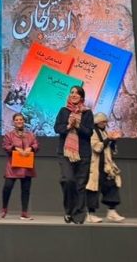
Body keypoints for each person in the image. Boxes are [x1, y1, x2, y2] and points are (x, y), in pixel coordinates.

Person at [54, 85, 93, 224]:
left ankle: (78, 216)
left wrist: (77, 126)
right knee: (68, 180)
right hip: (65, 152)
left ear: (81, 97)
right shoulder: (63, 111)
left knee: (80, 184)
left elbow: (89, 132)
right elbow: (57, 128)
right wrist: (68, 127)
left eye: (77, 93)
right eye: (72, 93)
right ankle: (68, 210)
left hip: (83, 153)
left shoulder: (87, 112)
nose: (74, 95)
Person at [86, 112, 125, 223]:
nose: (104, 124)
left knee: (112, 187)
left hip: (106, 167)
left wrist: (113, 141)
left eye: (105, 122)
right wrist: (108, 139)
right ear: (97, 122)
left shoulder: (105, 132)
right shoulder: (92, 132)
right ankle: (91, 214)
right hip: (96, 166)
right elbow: (97, 148)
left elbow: (111, 150)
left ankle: (112, 212)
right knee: (93, 190)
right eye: (102, 122)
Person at [1, 112, 39, 220]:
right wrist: (15, 148)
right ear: (13, 122)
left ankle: (24, 212)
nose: (19, 121)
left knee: (26, 189)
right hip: (13, 166)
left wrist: (30, 148)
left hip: (26, 166)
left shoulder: (30, 134)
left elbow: (36, 144)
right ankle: (4, 208)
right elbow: (5, 146)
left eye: (21, 119)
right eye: (17, 120)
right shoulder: (9, 135)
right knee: (7, 187)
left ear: (24, 121)